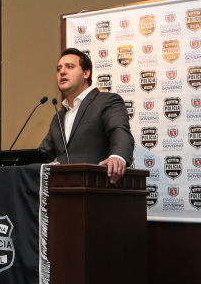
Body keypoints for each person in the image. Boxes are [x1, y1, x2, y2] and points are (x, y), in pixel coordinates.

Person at [38, 47, 134, 183]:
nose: (62, 72)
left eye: (69, 67)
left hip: (98, 187)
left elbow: (120, 132)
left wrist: (117, 157)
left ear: (86, 73)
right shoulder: (58, 117)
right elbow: (42, 155)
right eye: (59, 69)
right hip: (62, 192)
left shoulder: (106, 101)